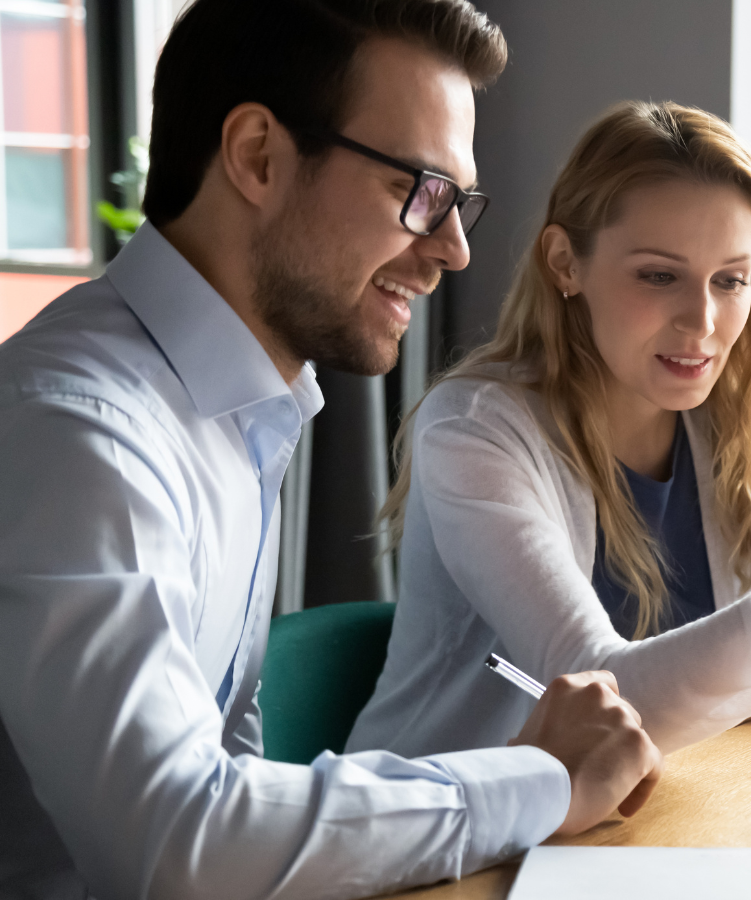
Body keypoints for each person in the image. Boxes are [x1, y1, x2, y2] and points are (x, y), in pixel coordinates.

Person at [0, 2, 662, 897]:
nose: (455, 250)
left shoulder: (236, 408)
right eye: (422, 191)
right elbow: (175, 842)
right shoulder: (85, 434)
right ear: (258, 157)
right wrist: (544, 780)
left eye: (461, 203)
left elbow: (229, 769)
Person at [345, 100, 751, 761]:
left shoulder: (748, 412)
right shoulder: (476, 433)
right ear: (565, 262)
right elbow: (605, 695)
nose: (701, 320)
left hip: (634, 815)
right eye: (659, 275)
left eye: (730, 280)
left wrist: (696, 701)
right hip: (448, 836)